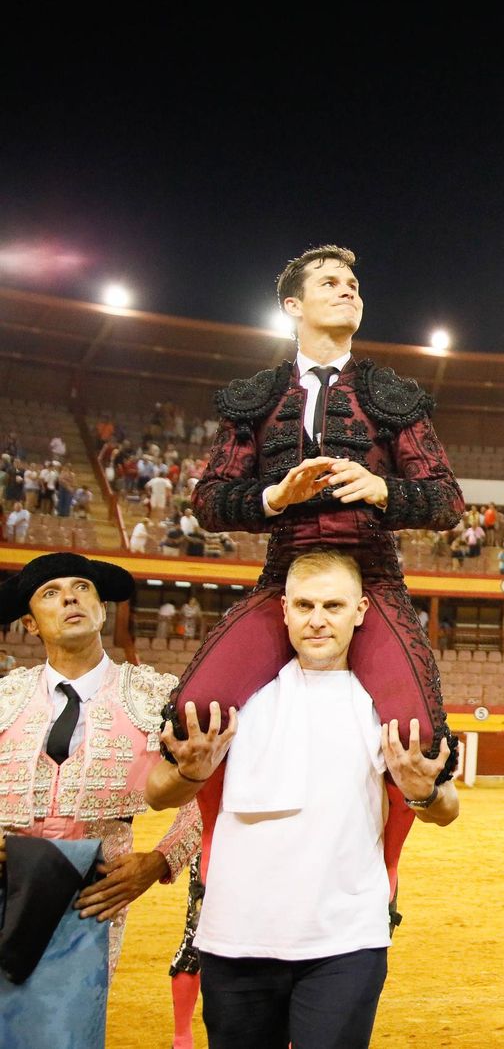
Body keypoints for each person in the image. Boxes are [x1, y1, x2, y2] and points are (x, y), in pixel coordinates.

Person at [170, 245, 463, 789]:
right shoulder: (257, 398)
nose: (347, 289)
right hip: (287, 579)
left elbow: (447, 501)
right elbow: (208, 500)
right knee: (195, 715)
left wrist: (383, 490)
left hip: (371, 581)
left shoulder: (389, 395)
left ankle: (379, 868)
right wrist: (273, 498)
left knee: (418, 739)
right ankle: (211, 867)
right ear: (292, 306)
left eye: (352, 283)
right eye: (329, 282)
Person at [148, 549, 459, 1048]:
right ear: (284, 610)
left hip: (346, 943)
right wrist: (190, 772)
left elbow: (447, 809)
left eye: (333, 607)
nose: (317, 621)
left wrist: (424, 795)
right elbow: (157, 793)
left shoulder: (383, 706)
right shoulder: (235, 698)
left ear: (360, 612)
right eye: (305, 606)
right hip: (235, 939)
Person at [0, 552, 201, 977]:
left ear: (101, 608)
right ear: (30, 622)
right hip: (5, 880)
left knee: (71, 1028)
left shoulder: (156, 695)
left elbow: (209, 790)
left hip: (97, 892)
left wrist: (162, 859)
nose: (70, 599)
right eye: (51, 593)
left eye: (82, 588)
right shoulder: (5, 696)